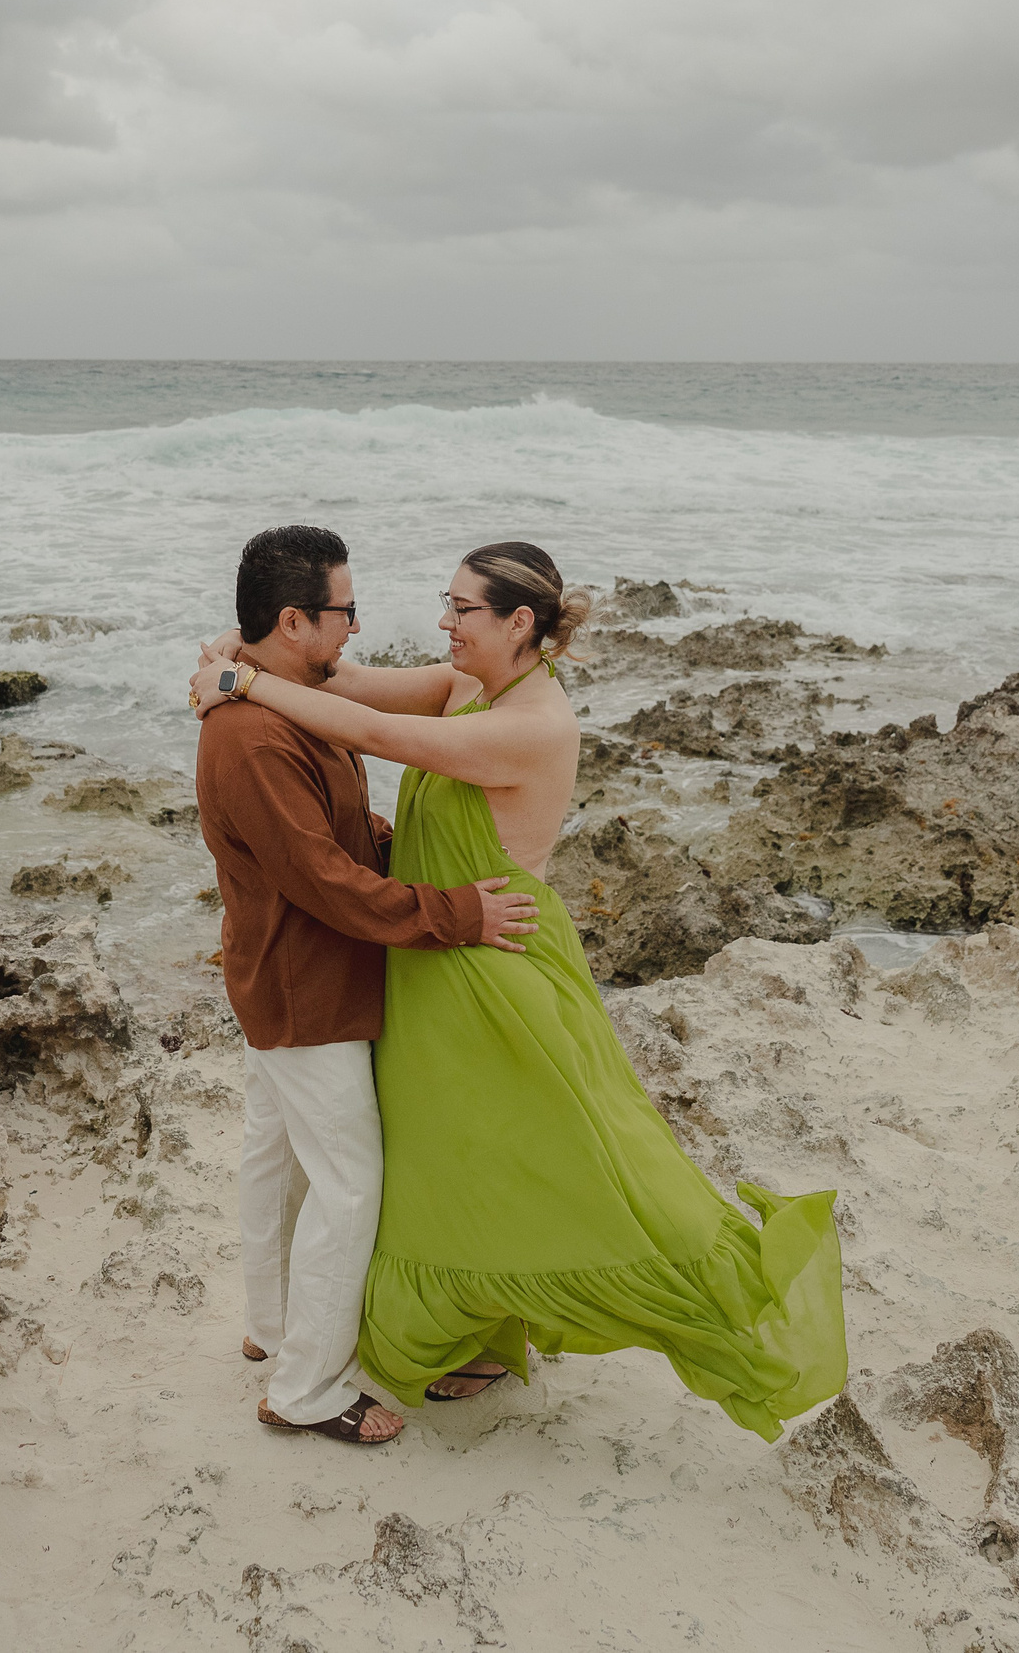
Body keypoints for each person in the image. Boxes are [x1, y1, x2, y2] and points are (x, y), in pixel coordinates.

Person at [190, 542, 846, 1440]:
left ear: (519, 622)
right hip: (428, 957)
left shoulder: (531, 722)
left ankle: (703, 1303)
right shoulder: (468, 684)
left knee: (529, 1160)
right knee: (452, 1162)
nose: (443, 623)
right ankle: (415, 1336)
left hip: (489, 970)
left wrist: (243, 679)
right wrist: (234, 657)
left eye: (461, 609)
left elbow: (371, 731)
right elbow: (342, 680)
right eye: (444, 603)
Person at [194, 525, 543, 1447]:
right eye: (345, 611)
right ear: (295, 619)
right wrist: (456, 913)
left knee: (276, 1160)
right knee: (349, 1182)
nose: (356, 627)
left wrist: (235, 665)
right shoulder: (255, 737)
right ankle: (305, 1387)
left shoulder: (290, 703)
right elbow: (328, 882)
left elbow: (343, 831)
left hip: (279, 974)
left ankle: (274, 1329)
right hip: (305, 988)